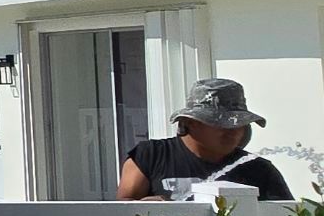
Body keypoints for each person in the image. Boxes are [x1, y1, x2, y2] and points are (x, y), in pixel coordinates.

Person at [118, 77, 292, 201]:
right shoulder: (150, 155)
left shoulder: (258, 169)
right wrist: (143, 208)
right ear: (191, 123)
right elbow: (120, 209)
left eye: (238, 124)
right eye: (220, 123)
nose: (232, 131)